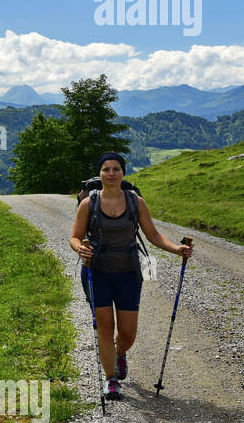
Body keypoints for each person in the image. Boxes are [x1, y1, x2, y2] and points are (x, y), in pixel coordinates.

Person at [69, 152, 192, 400]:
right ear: (100, 173)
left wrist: (177, 249)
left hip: (128, 273)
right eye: (106, 169)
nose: (111, 173)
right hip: (97, 271)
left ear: (123, 173)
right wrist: (79, 248)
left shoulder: (136, 202)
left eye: (116, 169)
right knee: (104, 326)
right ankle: (111, 379)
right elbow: (74, 236)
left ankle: (120, 354)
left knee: (128, 334)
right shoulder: (88, 204)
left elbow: (153, 235)